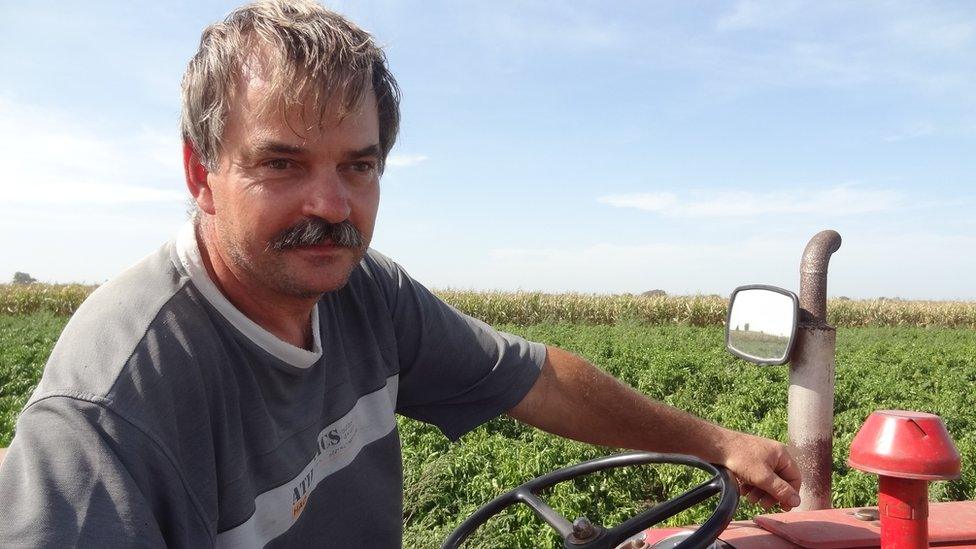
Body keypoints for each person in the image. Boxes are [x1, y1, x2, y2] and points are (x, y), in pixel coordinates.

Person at [0, 1, 801, 546]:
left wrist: (718, 441)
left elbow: (539, 380)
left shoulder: (366, 294)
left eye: (358, 164)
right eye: (282, 163)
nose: (331, 202)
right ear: (200, 172)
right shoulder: (110, 406)